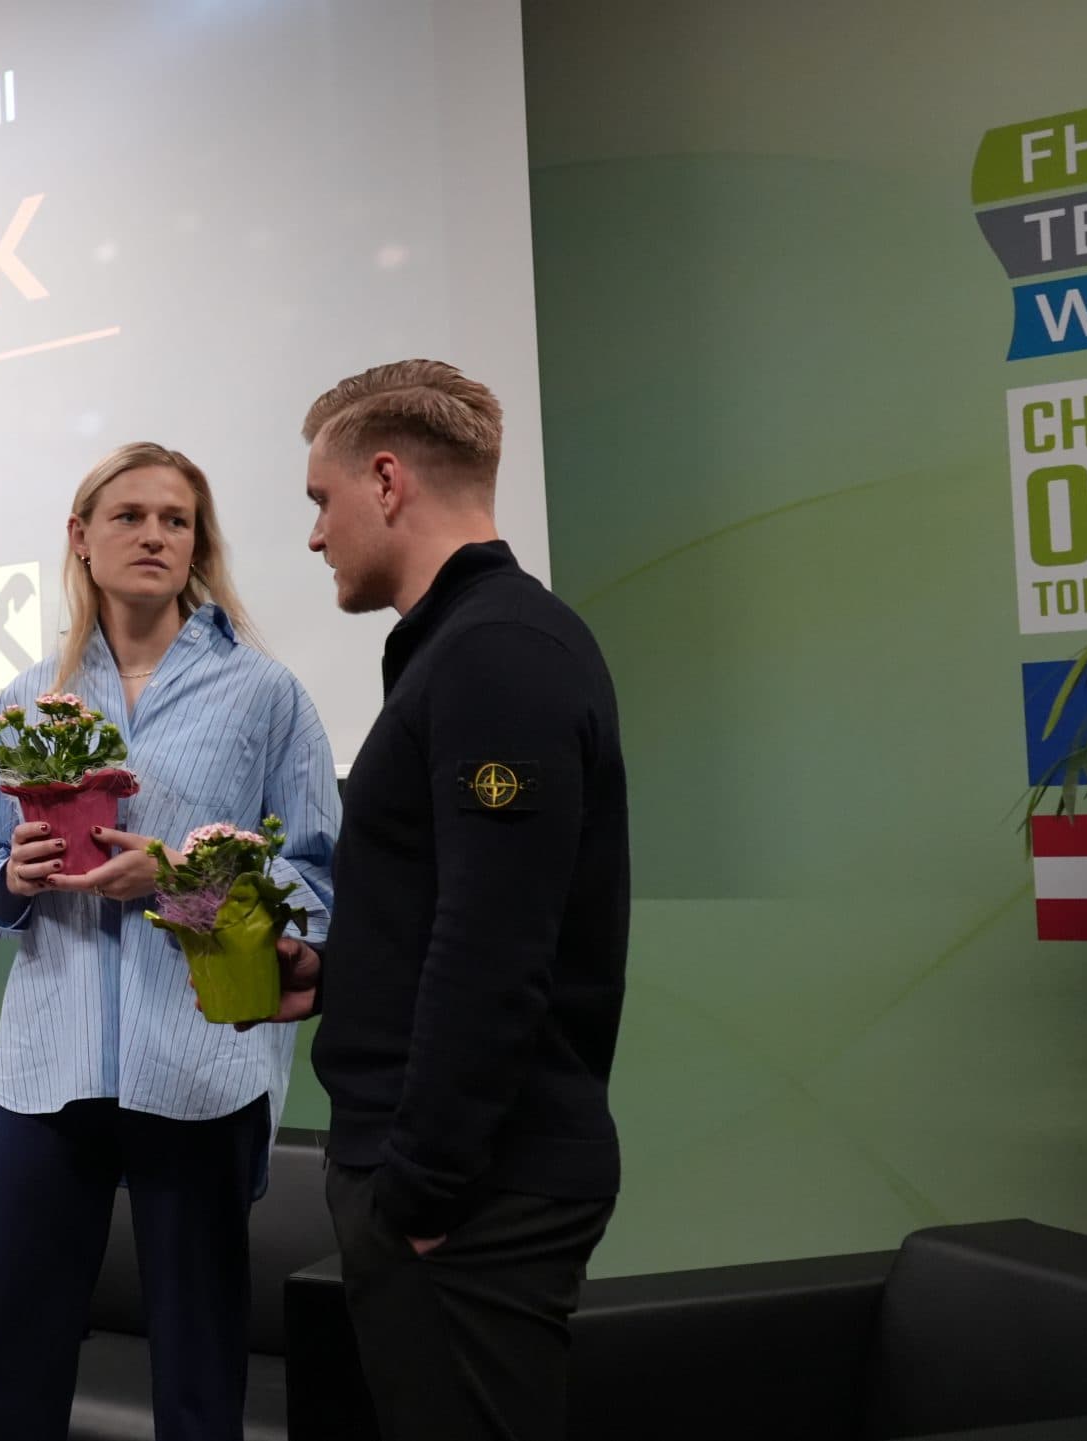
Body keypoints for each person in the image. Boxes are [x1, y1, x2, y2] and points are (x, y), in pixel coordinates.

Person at [0, 442, 340, 1441]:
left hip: (200, 1069)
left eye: (176, 519)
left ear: (199, 544)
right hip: (48, 1069)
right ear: (81, 538)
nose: (154, 535)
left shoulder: (264, 694)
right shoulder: (26, 698)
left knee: (200, 1379)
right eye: (129, 515)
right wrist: (13, 878)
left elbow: (315, 887)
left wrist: (177, 881)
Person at [285, 360, 630, 1441]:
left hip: (471, 1193)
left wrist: (422, 1193)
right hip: (453, 1179)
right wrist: (334, 972)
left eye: (322, 500)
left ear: (387, 481)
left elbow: (494, 946)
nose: (314, 536)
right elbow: (450, 906)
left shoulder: (496, 656)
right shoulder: (464, 650)